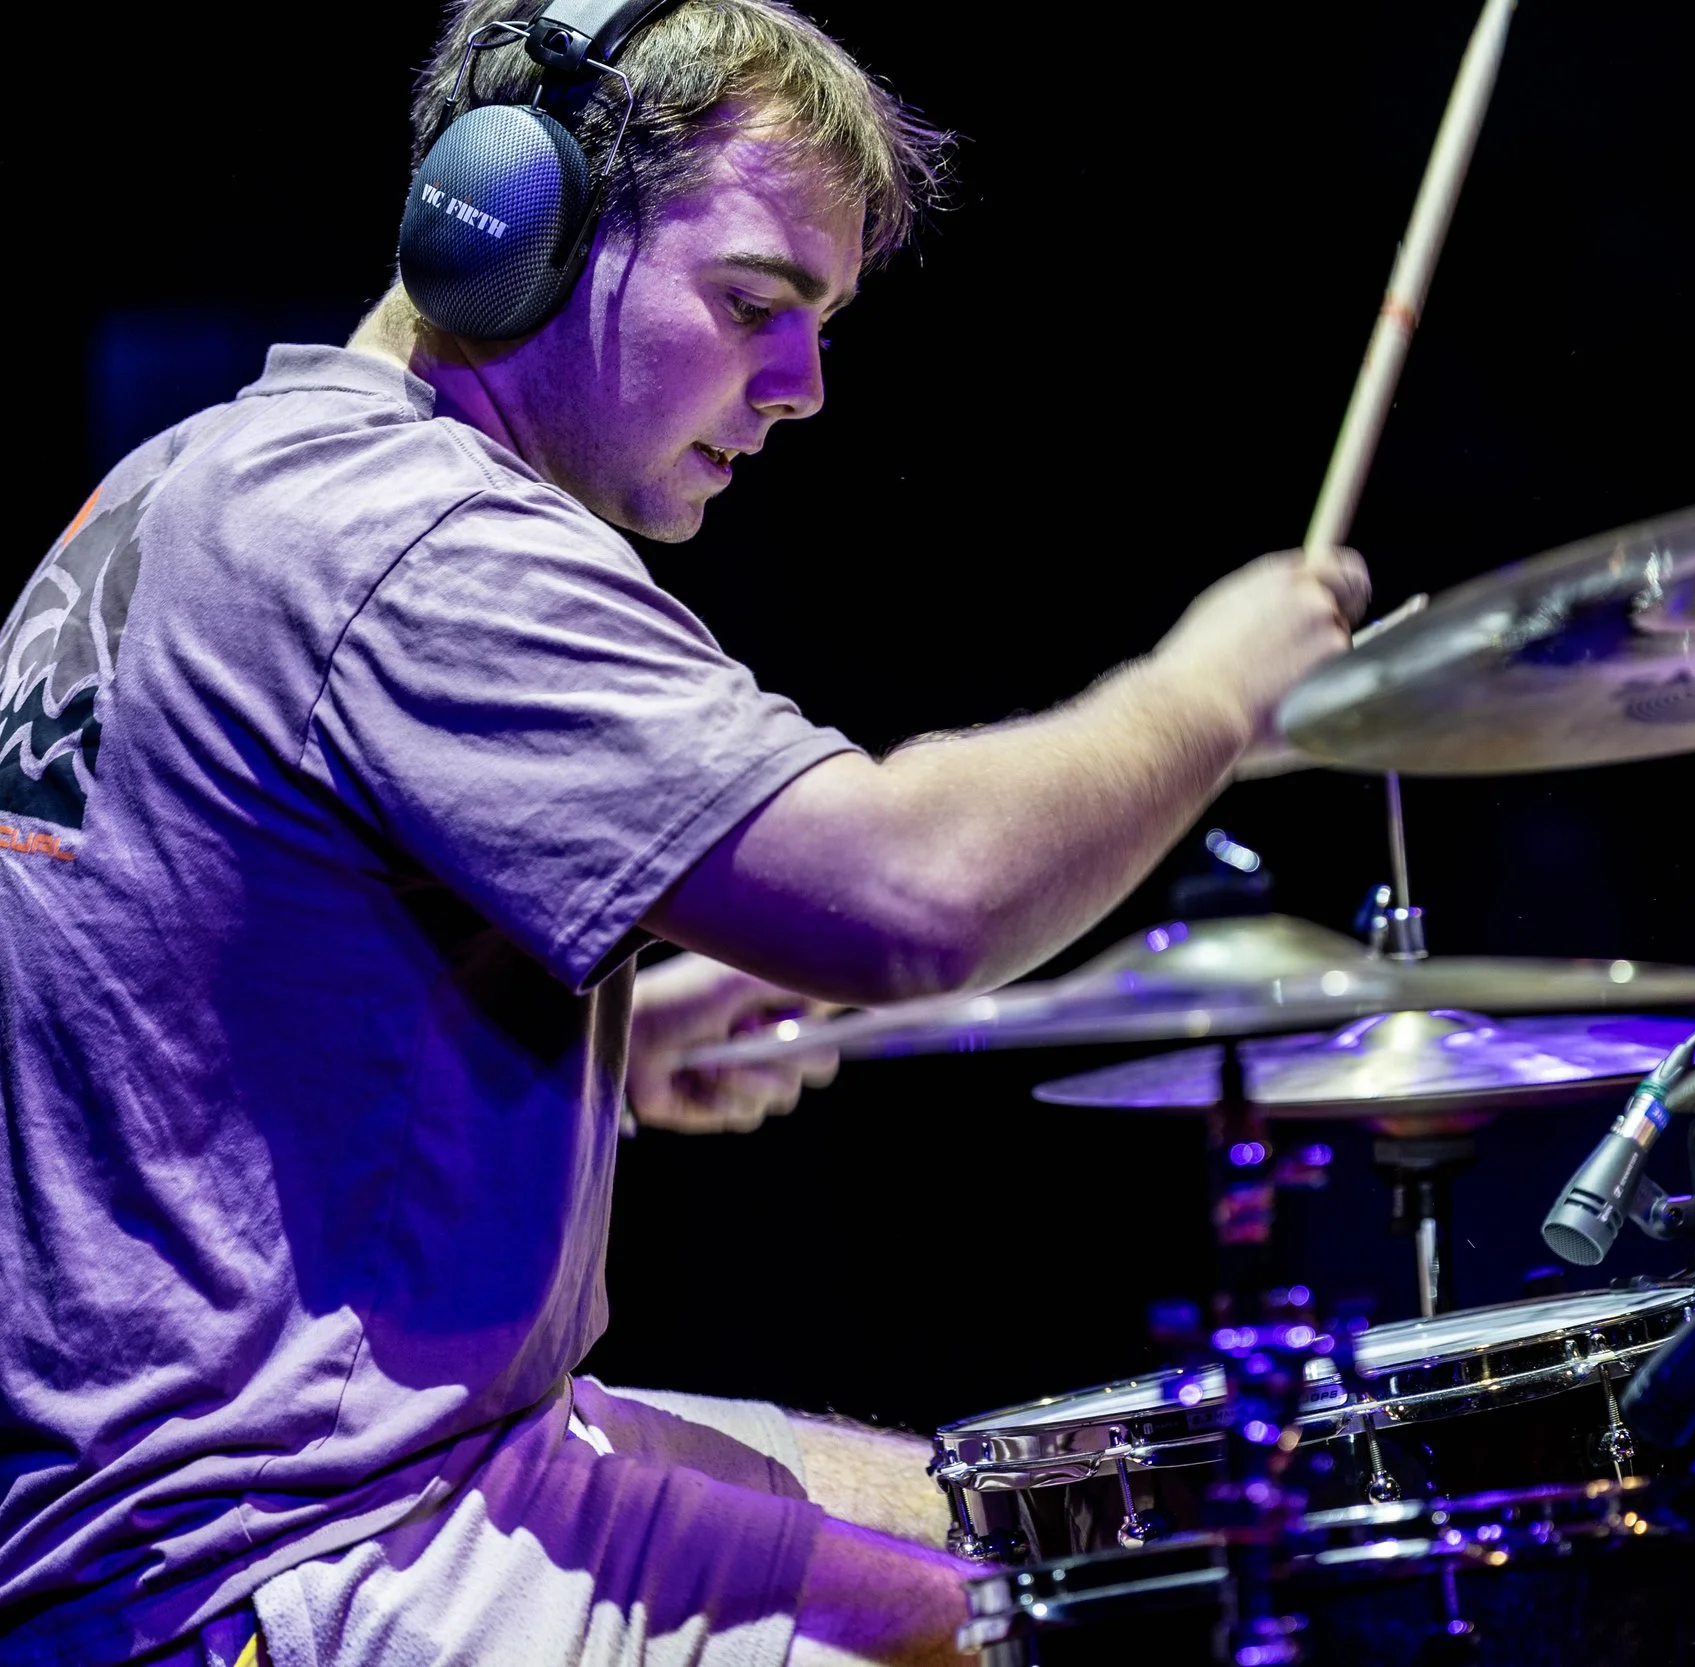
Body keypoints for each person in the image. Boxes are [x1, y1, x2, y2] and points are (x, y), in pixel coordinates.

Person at [0, 2, 1367, 1663]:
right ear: (519, 227)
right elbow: (914, 895)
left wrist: (616, 1048)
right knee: (1068, 1624)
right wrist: (1208, 696)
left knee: (986, 1510)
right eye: (753, 304)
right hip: (289, 1557)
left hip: (209, 1502)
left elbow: (191, 1020)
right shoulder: (422, 542)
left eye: (820, 325)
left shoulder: (195, 478)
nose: (800, 389)